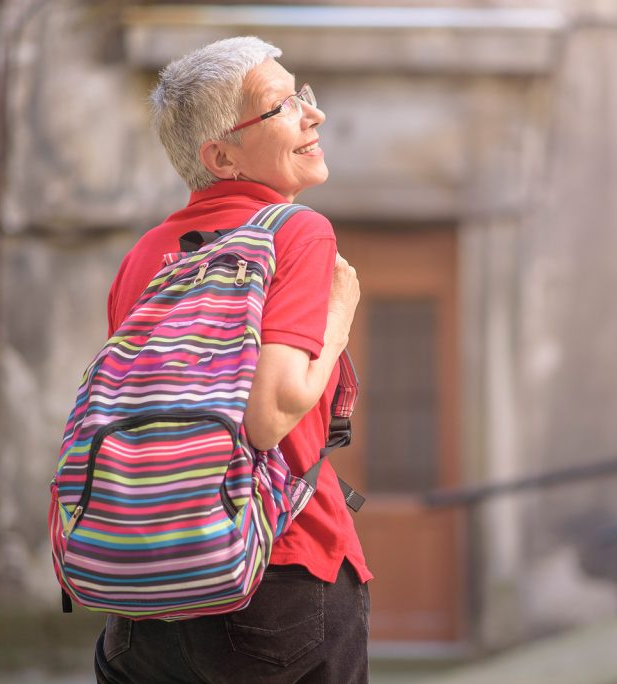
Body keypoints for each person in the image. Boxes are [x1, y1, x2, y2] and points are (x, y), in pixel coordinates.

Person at [93, 36, 371, 684]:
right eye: (282, 106)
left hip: (144, 598)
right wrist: (341, 311)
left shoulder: (142, 256)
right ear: (221, 156)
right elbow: (268, 416)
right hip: (277, 577)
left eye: (303, 95)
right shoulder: (295, 230)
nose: (314, 115)